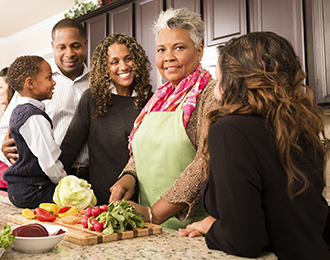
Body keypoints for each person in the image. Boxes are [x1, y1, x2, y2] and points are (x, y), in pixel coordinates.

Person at [177, 31, 330, 259]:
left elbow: (243, 241)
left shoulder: (230, 130)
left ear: (235, 82)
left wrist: (210, 226)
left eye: (219, 81)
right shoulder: (302, 126)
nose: (217, 93)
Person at [109, 8, 217, 229]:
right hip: (145, 223)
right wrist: (128, 175)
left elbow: (206, 161)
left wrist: (155, 213)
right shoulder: (158, 99)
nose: (168, 57)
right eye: (161, 49)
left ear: (199, 51)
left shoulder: (212, 95)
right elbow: (145, 150)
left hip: (191, 228)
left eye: (179, 47)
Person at [59, 33, 153, 205]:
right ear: (105, 68)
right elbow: (69, 149)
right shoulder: (92, 99)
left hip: (144, 200)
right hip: (102, 200)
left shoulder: (152, 101)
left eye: (128, 59)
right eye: (114, 62)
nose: (123, 66)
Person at [2, 18, 90, 179]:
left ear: (85, 43)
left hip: (95, 174)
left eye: (75, 46)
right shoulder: (34, 82)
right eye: (62, 47)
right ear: (52, 46)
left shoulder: (99, 81)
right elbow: (5, 130)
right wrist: (6, 151)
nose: (69, 53)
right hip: (48, 177)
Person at [3, 55, 66, 208]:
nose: (54, 82)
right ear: (30, 83)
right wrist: (67, 185)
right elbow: (49, 161)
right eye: (49, 77)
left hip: (21, 189)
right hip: (33, 190)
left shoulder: (19, 111)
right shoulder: (34, 116)